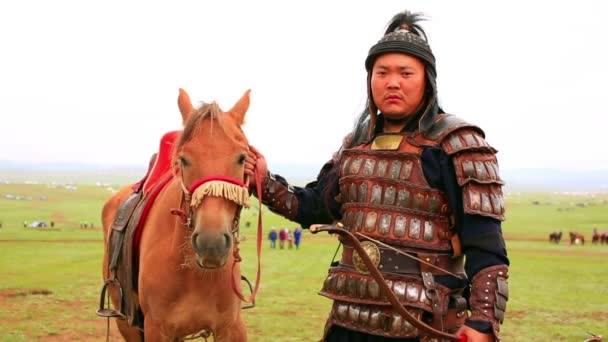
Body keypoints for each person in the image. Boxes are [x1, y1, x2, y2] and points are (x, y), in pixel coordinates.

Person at [245, 10, 509, 342]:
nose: (392, 82)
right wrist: (264, 182)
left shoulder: (457, 145)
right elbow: (313, 207)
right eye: (381, 72)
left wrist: (483, 321)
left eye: (406, 73)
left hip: (425, 324)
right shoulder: (355, 146)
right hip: (350, 320)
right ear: (370, 80)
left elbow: (486, 245)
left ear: (427, 80)